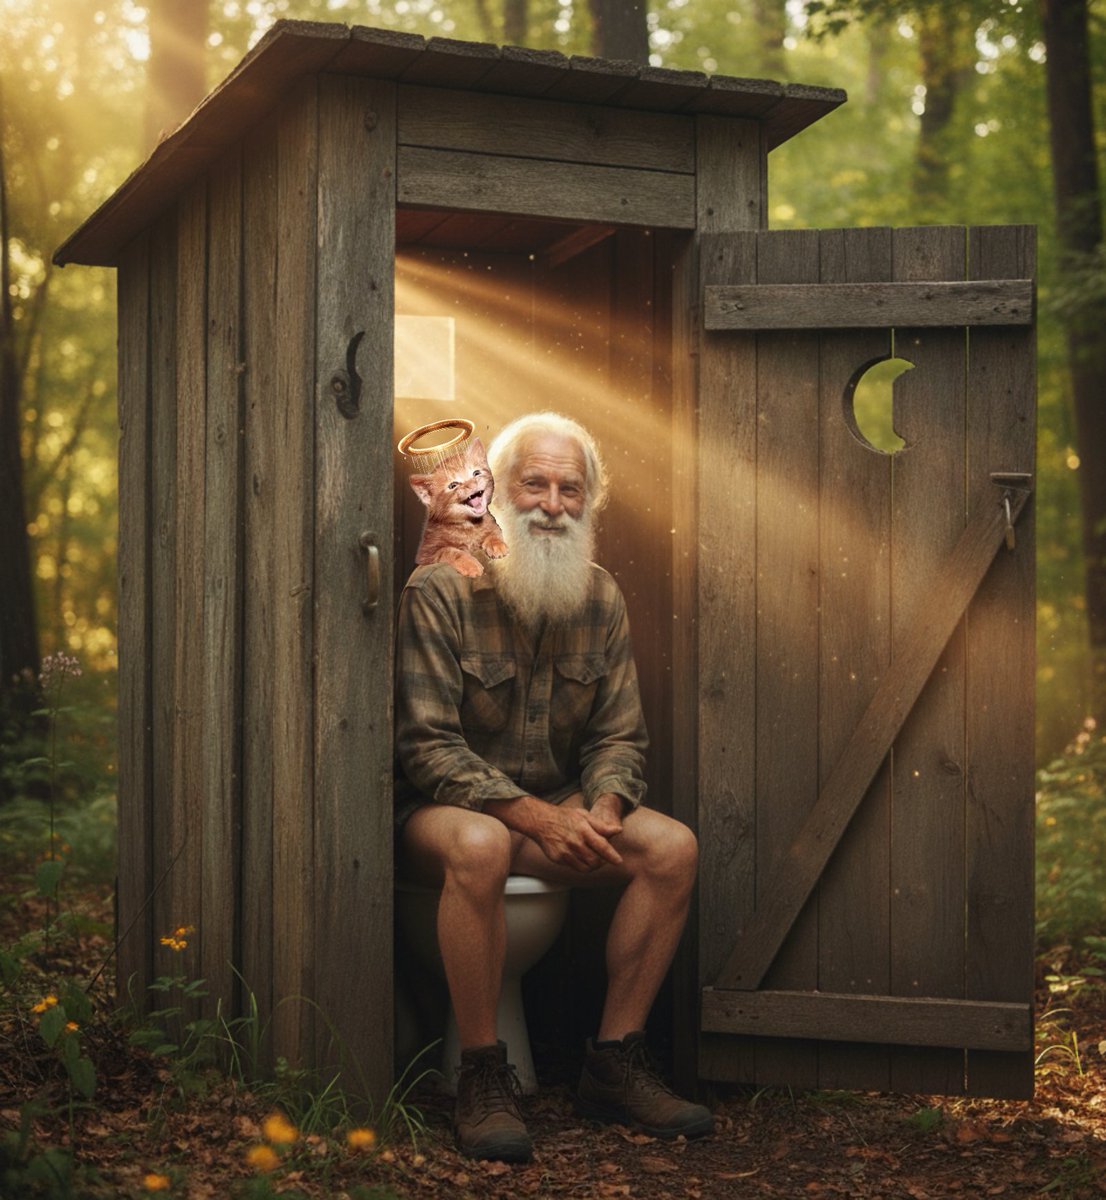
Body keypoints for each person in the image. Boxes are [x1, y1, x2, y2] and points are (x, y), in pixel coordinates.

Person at [394, 411, 713, 1163]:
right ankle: (480, 1076)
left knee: (672, 850)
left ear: (590, 503)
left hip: (556, 812)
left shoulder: (600, 597)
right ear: (497, 491)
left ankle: (612, 1064)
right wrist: (538, 818)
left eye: (572, 489)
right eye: (533, 483)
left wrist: (601, 809)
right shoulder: (438, 589)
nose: (552, 503)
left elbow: (618, 736)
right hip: (447, 816)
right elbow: (427, 747)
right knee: (480, 845)